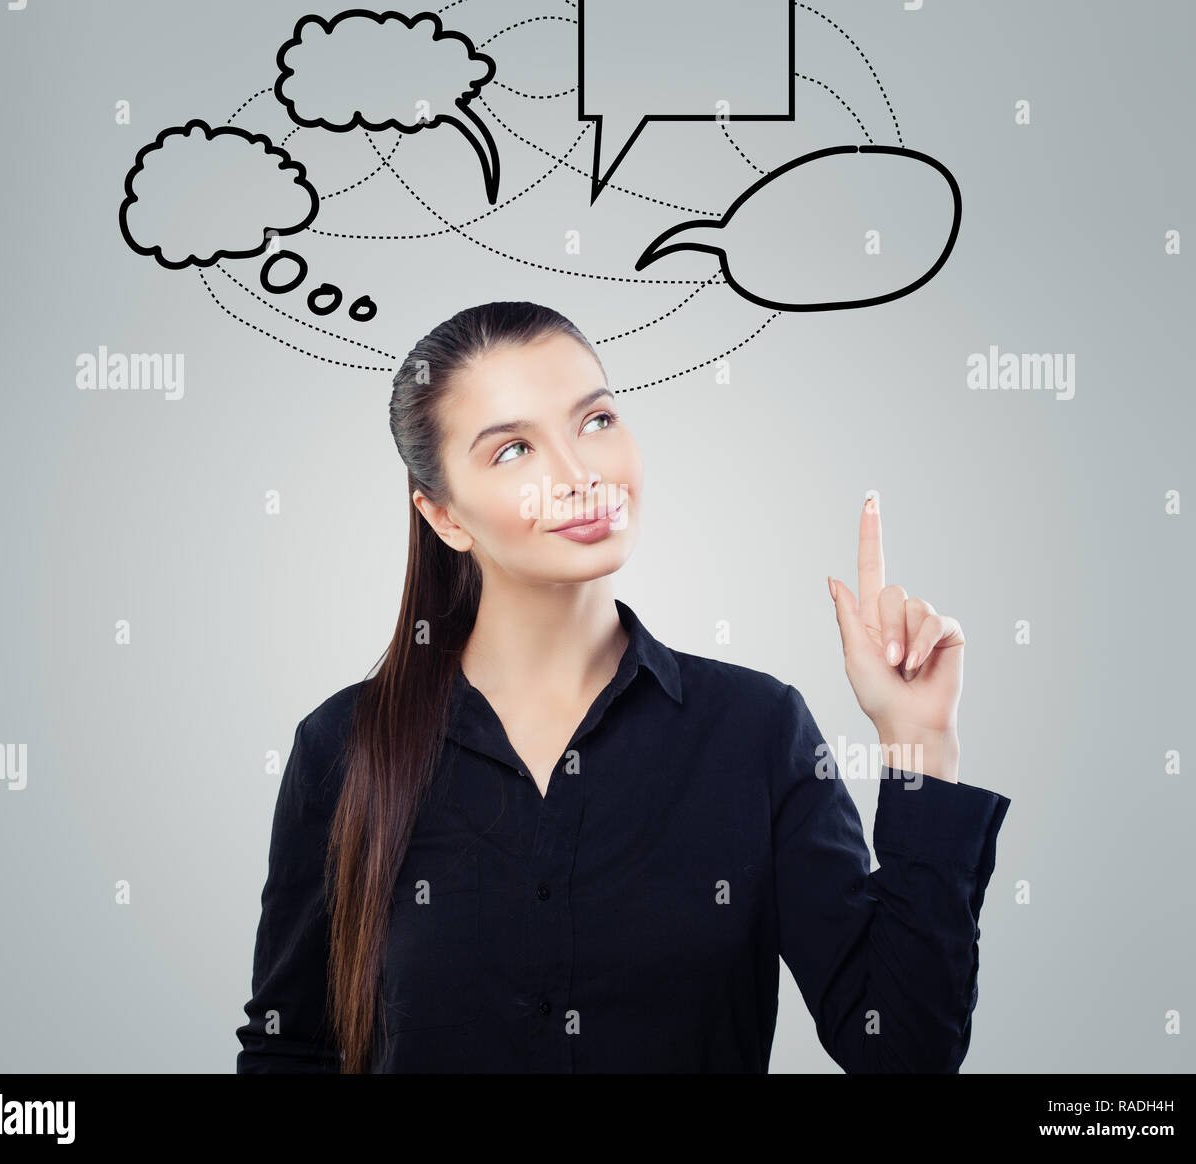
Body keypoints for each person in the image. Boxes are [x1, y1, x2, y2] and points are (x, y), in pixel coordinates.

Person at [235, 300, 1010, 1074]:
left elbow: (903, 1052)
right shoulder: (344, 749)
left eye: (596, 421)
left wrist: (920, 744)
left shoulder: (755, 732)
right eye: (512, 451)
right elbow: (290, 1048)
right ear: (443, 516)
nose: (579, 475)